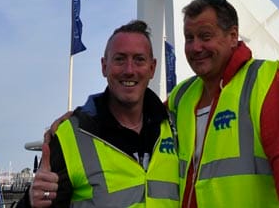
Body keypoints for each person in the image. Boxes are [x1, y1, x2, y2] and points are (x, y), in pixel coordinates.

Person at [167, 0, 279, 208]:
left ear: (233, 36)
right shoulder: (181, 95)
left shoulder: (266, 80)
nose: (195, 47)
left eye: (205, 36)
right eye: (189, 38)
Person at [24, 20, 179, 208]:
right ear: (104, 66)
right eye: (120, 59)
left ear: (152, 68)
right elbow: (43, 199)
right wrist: (31, 202)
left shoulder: (175, 126)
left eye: (139, 59)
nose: (129, 70)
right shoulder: (69, 136)